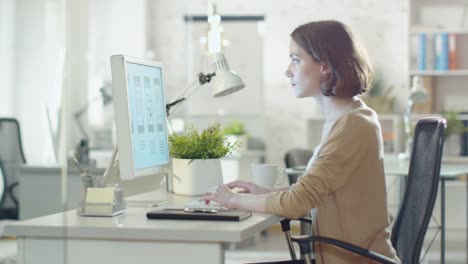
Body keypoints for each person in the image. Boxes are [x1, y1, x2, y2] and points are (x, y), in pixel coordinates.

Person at [203, 20, 400, 264]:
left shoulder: (353, 125)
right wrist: (265, 192)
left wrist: (233, 200)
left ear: (325, 67)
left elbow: (297, 204)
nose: (288, 70)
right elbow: (318, 194)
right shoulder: (347, 118)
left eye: (296, 59)